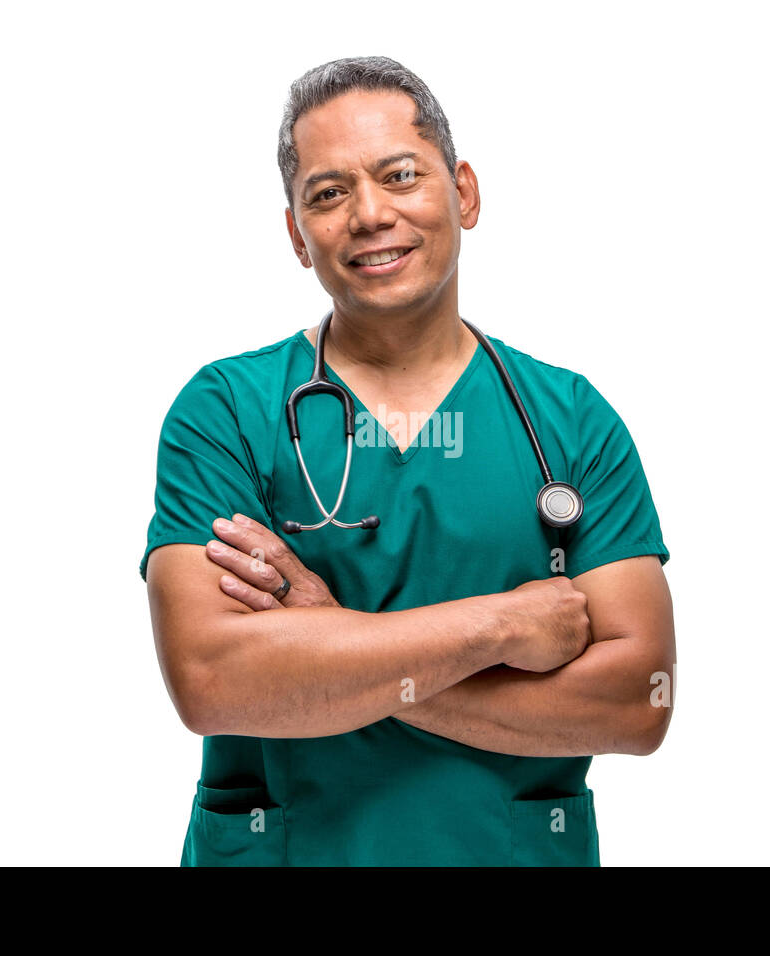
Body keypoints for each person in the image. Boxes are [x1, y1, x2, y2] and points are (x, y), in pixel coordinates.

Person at [140, 55, 675, 866]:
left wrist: (332, 648)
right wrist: (502, 625)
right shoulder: (227, 413)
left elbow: (639, 702)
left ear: (463, 193)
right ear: (296, 233)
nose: (368, 214)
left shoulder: (568, 421)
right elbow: (212, 680)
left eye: (399, 175)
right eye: (328, 193)